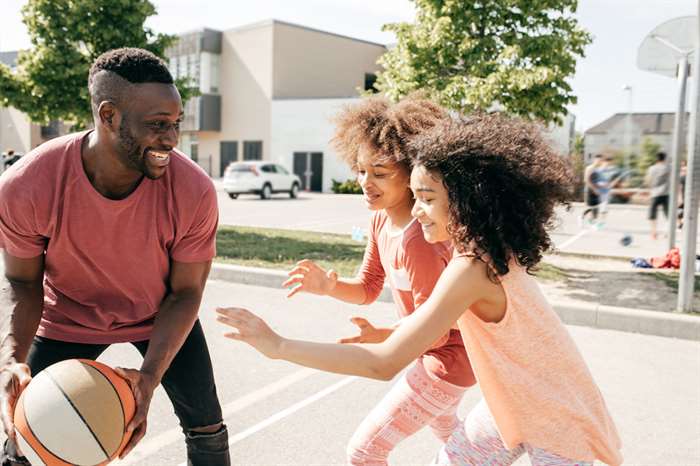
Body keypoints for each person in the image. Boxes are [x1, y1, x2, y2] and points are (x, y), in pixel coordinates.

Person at [217, 113, 623, 466]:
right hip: (509, 403)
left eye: (426, 198)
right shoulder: (484, 252)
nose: (415, 209)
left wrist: (278, 345)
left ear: (468, 202)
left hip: (558, 418)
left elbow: (382, 363)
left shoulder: (472, 268)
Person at [0, 48, 230, 466]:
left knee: (207, 429)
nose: (172, 139)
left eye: (176, 124)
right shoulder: (28, 185)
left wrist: (149, 379)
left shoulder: (193, 190)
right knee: (19, 435)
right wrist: (10, 360)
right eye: (158, 126)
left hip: (158, 312)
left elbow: (185, 292)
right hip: (67, 317)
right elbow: (22, 282)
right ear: (109, 116)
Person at [282, 95, 475, 465]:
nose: (365, 182)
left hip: (447, 360)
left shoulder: (420, 238)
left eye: (381, 172)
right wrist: (328, 287)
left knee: (365, 451)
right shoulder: (381, 219)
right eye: (361, 170)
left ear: (412, 171)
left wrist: (384, 335)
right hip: (432, 353)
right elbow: (369, 287)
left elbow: (434, 333)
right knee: (449, 434)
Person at [645, 152, 670, 240]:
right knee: (669, 215)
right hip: (666, 194)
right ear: (665, 158)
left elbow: (648, 180)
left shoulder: (652, 168)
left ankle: (654, 233)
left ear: (656, 159)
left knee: (652, 215)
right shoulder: (668, 168)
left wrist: (649, 191)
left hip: (654, 194)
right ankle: (667, 232)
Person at [580, 154, 603, 225]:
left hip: (597, 190)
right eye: (598, 160)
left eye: (600, 161)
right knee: (589, 207)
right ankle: (581, 217)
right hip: (589, 190)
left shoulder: (599, 169)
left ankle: (592, 222)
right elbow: (586, 180)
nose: (599, 162)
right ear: (595, 160)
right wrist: (594, 189)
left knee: (596, 208)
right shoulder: (589, 168)